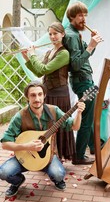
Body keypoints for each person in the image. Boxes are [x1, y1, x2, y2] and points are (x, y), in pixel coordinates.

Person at [0, 81, 85, 198]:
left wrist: (79, 113)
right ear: (27, 97)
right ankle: (17, 181)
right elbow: (5, 144)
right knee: (4, 172)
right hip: (26, 156)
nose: (37, 99)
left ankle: (57, 179)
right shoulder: (20, 116)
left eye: (40, 94)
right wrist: (27, 146)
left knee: (59, 174)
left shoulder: (54, 111)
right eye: (33, 95)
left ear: (44, 95)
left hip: (48, 156)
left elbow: (74, 126)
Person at [21, 21, 75, 161]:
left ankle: (60, 155)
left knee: (59, 125)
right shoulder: (50, 52)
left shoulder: (64, 54)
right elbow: (39, 73)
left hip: (60, 95)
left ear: (62, 34)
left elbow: (43, 69)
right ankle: (47, 154)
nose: (52, 37)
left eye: (55, 34)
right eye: (50, 34)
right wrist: (27, 58)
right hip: (49, 94)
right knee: (48, 126)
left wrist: (32, 55)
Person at [63, 1, 103, 165]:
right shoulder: (71, 36)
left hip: (84, 79)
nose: (84, 19)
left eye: (85, 15)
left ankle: (94, 146)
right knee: (87, 119)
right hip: (81, 81)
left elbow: (86, 56)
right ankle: (79, 156)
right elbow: (76, 65)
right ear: (71, 16)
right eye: (80, 15)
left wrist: (92, 43)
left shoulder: (75, 33)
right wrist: (91, 45)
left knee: (88, 115)